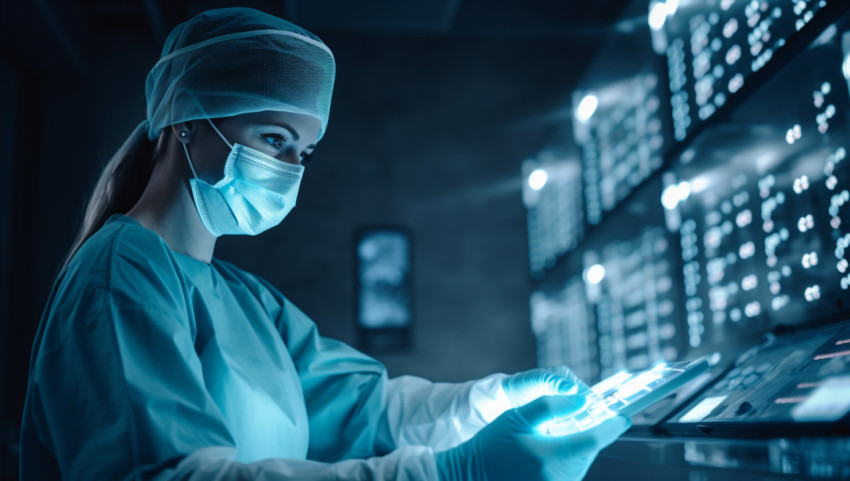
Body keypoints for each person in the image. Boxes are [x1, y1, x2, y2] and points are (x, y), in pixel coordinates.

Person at [19, 7, 630, 481]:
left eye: (303, 152)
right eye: (275, 138)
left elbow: (371, 412)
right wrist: (451, 472)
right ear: (188, 118)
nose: (291, 167)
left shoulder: (247, 302)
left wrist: (494, 400)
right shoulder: (120, 276)